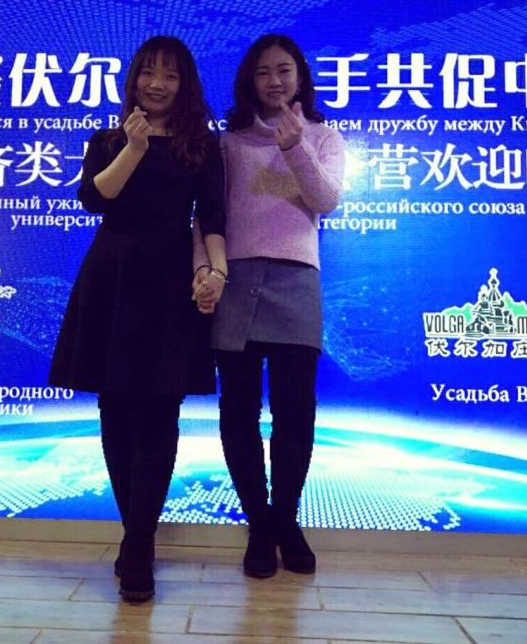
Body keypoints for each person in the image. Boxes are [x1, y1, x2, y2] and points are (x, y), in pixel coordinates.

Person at [50, 36, 227, 602]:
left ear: (185, 84)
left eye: (170, 76)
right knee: (116, 409)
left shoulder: (203, 145)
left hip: (171, 282)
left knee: (159, 411)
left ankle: (138, 543)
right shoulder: (107, 140)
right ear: (133, 80)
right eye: (149, 73)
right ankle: (137, 539)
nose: (158, 84)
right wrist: (134, 146)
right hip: (112, 278)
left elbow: (213, 218)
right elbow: (95, 199)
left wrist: (216, 273)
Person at [193, 34, 344, 578]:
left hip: (296, 281)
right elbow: (207, 215)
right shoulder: (227, 143)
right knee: (238, 411)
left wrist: (295, 146)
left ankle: (287, 520)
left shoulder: (323, 136)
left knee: (295, 411)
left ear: (300, 77)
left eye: (284, 70)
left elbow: (326, 200)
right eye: (263, 72)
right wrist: (206, 270)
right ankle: (259, 524)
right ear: (248, 81)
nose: (274, 81)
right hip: (234, 279)